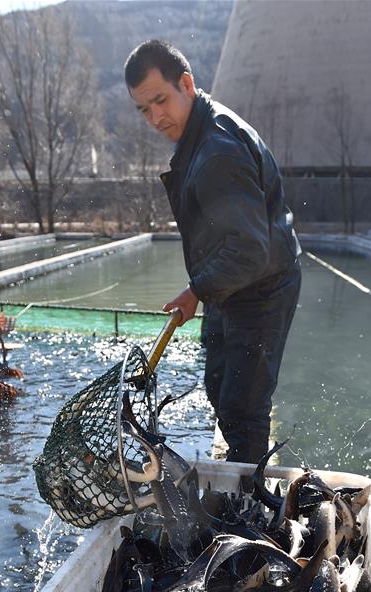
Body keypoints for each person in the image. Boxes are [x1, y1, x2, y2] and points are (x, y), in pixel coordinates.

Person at [124, 40, 301, 464]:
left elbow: (251, 250)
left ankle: (250, 502)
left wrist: (196, 289)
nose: (154, 118)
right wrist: (204, 288)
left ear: (186, 83)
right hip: (231, 285)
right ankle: (239, 470)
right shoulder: (196, 137)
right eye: (144, 110)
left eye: (161, 101)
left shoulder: (218, 150)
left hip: (262, 287)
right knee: (219, 383)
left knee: (244, 408)